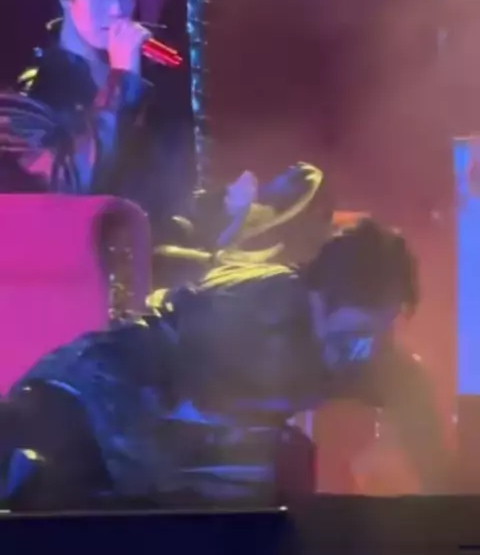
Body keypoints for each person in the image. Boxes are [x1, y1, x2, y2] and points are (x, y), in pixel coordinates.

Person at [0, 189, 430, 510]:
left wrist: (443, 504)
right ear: (330, 294)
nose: (366, 345)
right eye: (362, 327)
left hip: (135, 447)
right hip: (78, 405)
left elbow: (405, 385)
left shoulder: (338, 337)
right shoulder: (254, 311)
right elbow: (199, 403)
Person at [14, 0, 195, 238]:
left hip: (150, 254)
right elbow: (67, 190)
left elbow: (162, 195)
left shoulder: (145, 79)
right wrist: (122, 81)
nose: (117, 10)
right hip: (82, 260)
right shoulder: (30, 92)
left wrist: (221, 208)